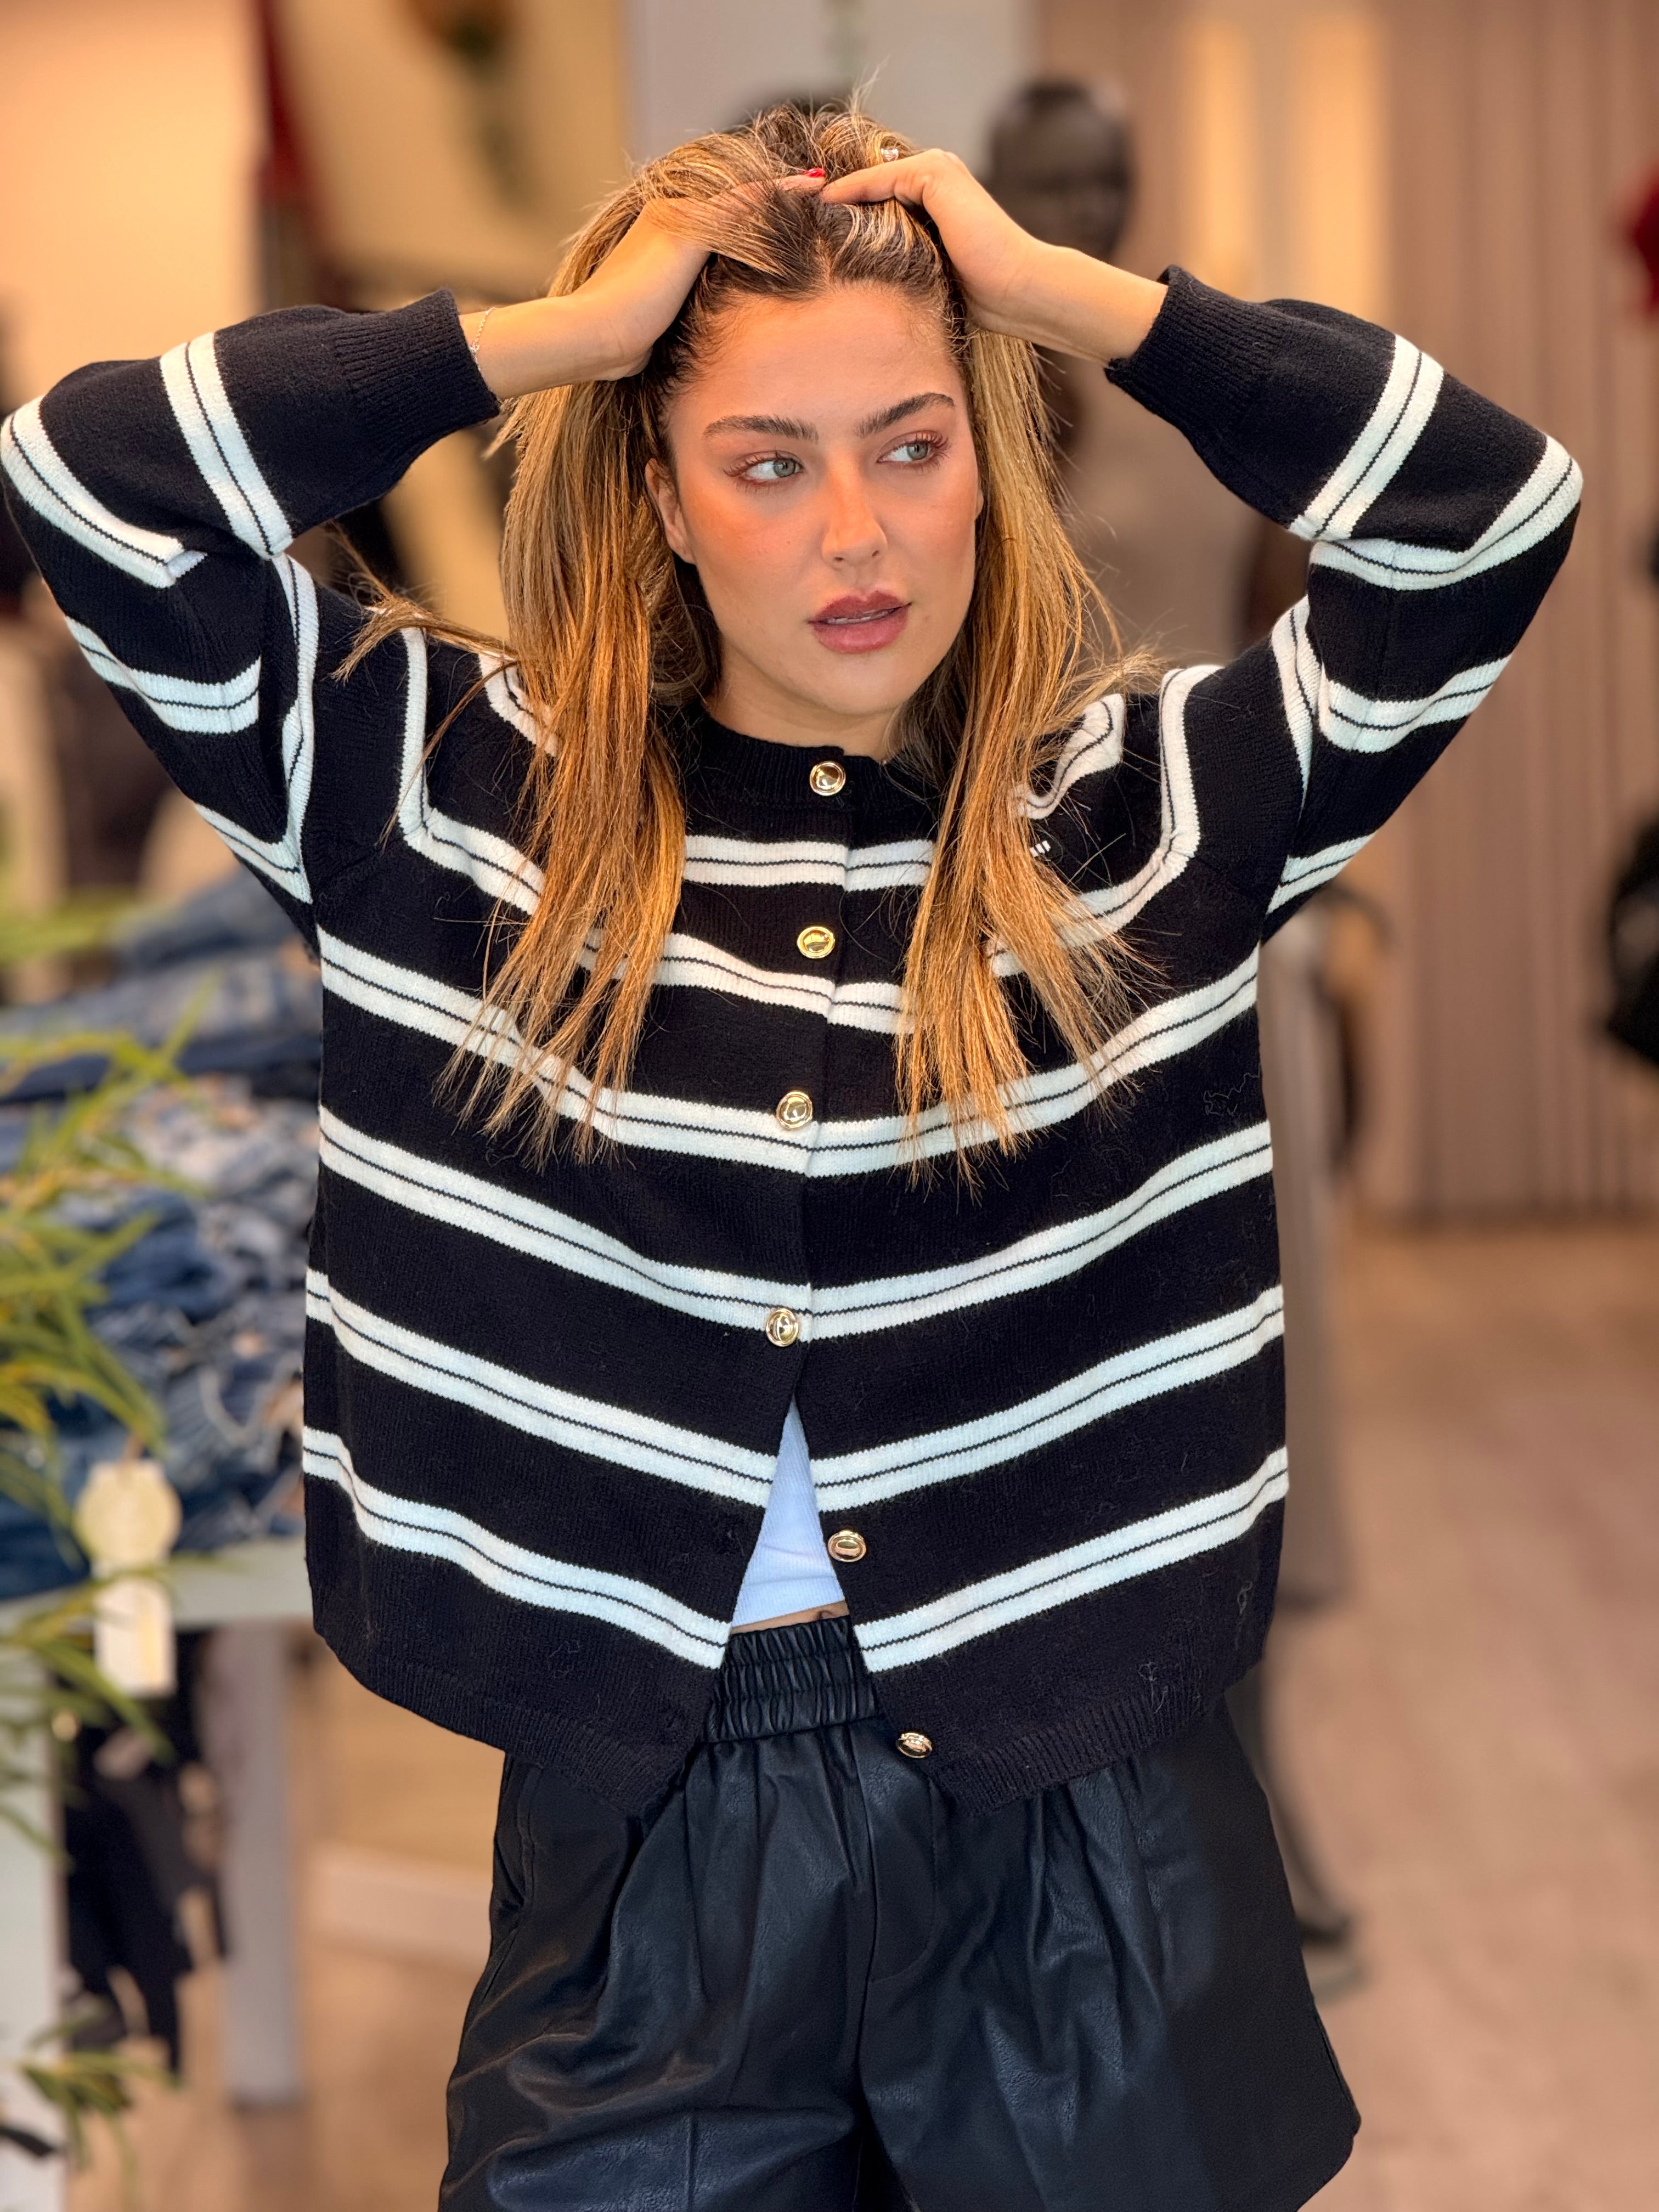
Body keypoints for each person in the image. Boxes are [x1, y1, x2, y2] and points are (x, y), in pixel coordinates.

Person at [1, 103, 1577, 2212]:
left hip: (1083, 1832)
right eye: (766, 462)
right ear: (659, 493)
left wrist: (1065, 303)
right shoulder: (437, 800)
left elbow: (1491, 512)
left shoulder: (1148, 814)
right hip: (648, 1825)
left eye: (913, 447)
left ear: (987, 463)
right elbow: (82, 481)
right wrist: (551, 340)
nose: (859, 534)